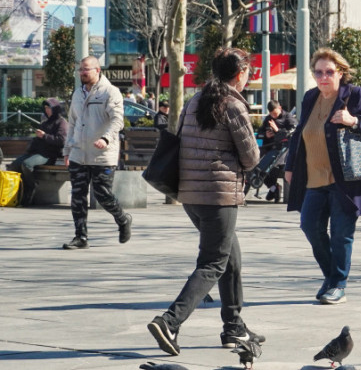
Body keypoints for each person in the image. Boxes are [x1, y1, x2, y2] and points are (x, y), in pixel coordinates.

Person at [147, 48, 261, 356]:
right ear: (241, 74)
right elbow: (251, 157)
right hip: (218, 196)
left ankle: (234, 328)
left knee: (230, 257)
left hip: (191, 195)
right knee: (213, 263)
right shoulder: (233, 106)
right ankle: (170, 322)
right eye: (248, 72)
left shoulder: (195, 100)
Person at [285, 48, 361, 305]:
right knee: (310, 226)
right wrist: (290, 165)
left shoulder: (354, 95)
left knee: (341, 234)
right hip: (313, 179)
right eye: (318, 72)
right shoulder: (309, 98)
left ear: (341, 73)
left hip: (345, 182)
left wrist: (353, 120)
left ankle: (338, 284)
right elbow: (300, 133)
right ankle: (332, 278)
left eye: (329, 72)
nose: (323, 77)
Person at [61, 56, 132, 250]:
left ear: (97, 70)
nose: (83, 73)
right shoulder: (77, 94)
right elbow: (73, 123)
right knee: (78, 196)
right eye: (81, 70)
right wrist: (67, 149)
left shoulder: (111, 92)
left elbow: (117, 120)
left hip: (102, 154)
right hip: (78, 153)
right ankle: (80, 237)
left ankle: (123, 218)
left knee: (103, 195)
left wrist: (106, 138)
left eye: (86, 69)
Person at [9, 98, 67, 206]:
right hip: (36, 152)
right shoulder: (45, 122)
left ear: (55, 109)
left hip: (49, 155)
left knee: (27, 164)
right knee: (14, 165)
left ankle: (31, 187)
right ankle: (17, 193)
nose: (47, 110)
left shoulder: (61, 122)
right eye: (45, 108)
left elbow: (61, 140)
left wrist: (44, 136)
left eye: (49, 108)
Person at [256, 100, 297, 202]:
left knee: (276, 166)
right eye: (271, 114)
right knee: (260, 168)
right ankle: (274, 189)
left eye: (275, 114)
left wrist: (277, 131)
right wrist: (266, 135)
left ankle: (277, 192)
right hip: (271, 149)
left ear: (280, 108)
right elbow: (260, 132)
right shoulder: (268, 119)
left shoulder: (288, 117)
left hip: (284, 151)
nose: (273, 116)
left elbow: (293, 133)